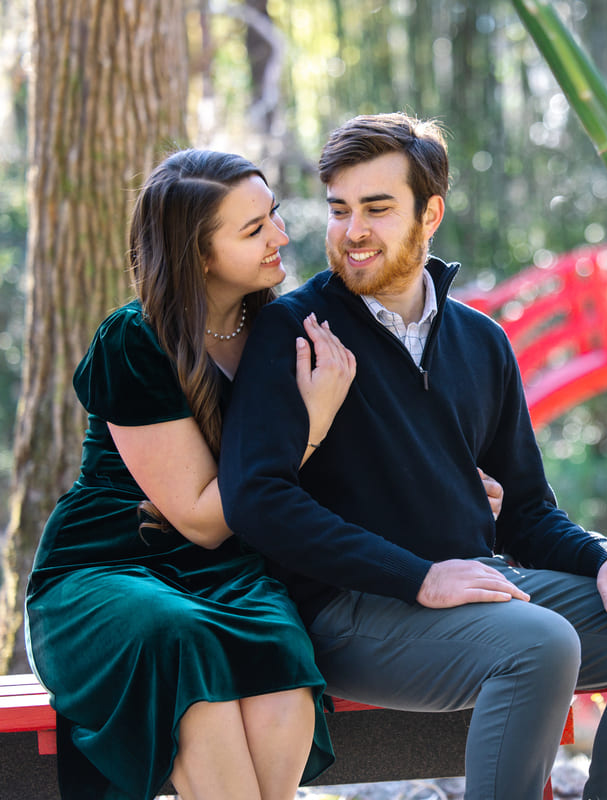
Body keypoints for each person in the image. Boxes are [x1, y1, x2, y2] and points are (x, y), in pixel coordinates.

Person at [219, 112, 607, 800]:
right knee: (537, 645)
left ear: (431, 215)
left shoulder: (481, 341)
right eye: (339, 209)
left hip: (479, 591)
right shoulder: (294, 331)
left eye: (377, 208)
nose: (352, 230)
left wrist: (605, 557)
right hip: (347, 612)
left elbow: (529, 512)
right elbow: (257, 499)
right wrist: (420, 576)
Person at [23, 149, 361, 800]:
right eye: (254, 229)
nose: (282, 237)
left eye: (275, 216)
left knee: (281, 654)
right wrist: (311, 425)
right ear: (200, 256)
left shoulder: (281, 328)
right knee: (178, 637)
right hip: (110, 569)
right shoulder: (134, 342)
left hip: (234, 573)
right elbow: (203, 519)